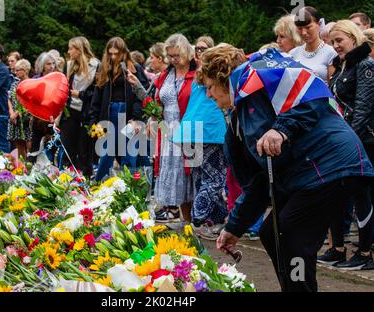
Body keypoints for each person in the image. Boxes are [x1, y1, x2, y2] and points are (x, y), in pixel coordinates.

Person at [199, 45, 374, 292]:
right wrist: (234, 228)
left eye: (209, 87)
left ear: (222, 78)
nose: (208, 95)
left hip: (331, 163)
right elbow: (257, 183)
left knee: (291, 233)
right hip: (307, 173)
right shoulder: (238, 119)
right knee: (273, 233)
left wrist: (282, 128)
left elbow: (315, 97)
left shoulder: (261, 80)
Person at [318, 20, 374, 270]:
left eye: (339, 40)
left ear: (354, 37)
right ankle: (337, 248)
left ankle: (365, 252)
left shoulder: (366, 65)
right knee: (337, 195)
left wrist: (348, 140)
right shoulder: (343, 66)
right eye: (332, 42)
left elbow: (363, 108)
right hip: (342, 140)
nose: (335, 46)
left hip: (363, 141)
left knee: (363, 197)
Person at [173, 38, 228, 239]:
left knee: (201, 178)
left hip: (189, 130)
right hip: (207, 130)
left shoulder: (196, 73)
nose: (200, 52)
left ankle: (218, 218)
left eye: (203, 49)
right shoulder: (214, 73)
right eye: (198, 49)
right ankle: (197, 220)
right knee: (215, 179)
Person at [149, 33, 197, 223]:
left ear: (186, 52)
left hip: (191, 130)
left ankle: (195, 221)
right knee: (175, 179)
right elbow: (157, 100)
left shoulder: (196, 74)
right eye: (170, 56)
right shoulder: (165, 76)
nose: (173, 60)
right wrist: (153, 113)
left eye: (177, 55)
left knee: (190, 177)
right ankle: (185, 222)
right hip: (167, 131)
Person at [89, 36, 149, 181]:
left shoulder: (134, 68)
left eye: (117, 53)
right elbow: (96, 97)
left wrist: (136, 118)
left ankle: (129, 188)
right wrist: (93, 122)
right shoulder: (103, 68)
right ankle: (100, 185)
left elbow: (141, 97)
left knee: (129, 152)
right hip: (108, 114)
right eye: (110, 53)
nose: (113, 56)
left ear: (124, 52)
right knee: (106, 152)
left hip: (128, 114)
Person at [58, 36, 100, 176]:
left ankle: (85, 179)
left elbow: (97, 92)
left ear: (79, 49)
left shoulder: (96, 66)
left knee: (85, 150)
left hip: (87, 113)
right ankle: (67, 178)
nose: (68, 51)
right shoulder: (68, 65)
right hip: (69, 111)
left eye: (71, 48)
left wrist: (81, 94)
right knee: (68, 147)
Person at [289, 6, 337, 83]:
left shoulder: (331, 53)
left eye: (308, 27)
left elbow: (332, 86)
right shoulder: (293, 54)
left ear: (319, 24)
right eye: (300, 28)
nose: (304, 33)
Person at [7, 59, 33, 160]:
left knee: (29, 144)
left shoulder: (30, 84)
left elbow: (29, 102)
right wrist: (11, 113)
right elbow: (9, 98)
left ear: (26, 70)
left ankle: (31, 164)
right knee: (18, 144)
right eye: (15, 70)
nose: (15, 72)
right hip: (14, 118)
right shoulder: (14, 84)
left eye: (18, 70)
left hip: (26, 118)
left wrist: (17, 113)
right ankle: (22, 166)